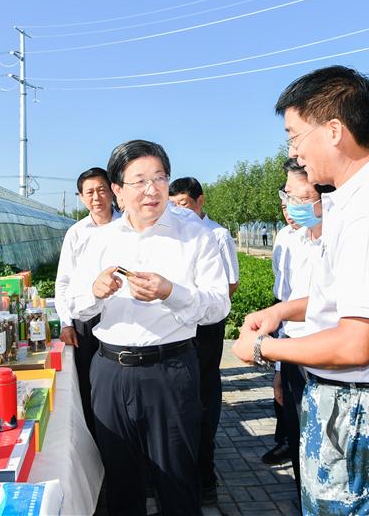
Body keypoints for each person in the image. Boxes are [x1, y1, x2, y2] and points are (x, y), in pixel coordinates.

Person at [232, 65, 369, 514]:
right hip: (358, 406)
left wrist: (264, 349)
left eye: (294, 136)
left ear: (333, 130)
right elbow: (355, 299)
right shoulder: (358, 199)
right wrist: (284, 311)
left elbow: (357, 342)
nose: (293, 152)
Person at [67, 140, 230, 515]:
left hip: (170, 371)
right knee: (121, 482)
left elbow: (218, 305)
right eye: (139, 181)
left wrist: (171, 292)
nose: (152, 189)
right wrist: (95, 292)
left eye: (159, 178)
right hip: (110, 372)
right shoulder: (98, 241)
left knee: (176, 478)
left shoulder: (194, 236)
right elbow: (74, 302)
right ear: (119, 192)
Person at [169, 176, 239, 505]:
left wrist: (197, 300)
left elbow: (230, 285)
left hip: (208, 324)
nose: (177, 211)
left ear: (200, 202)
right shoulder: (174, 237)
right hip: (182, 323)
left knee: (205, 395)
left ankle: (206, 478)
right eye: (173, 206)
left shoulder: (218, 235)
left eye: (183, 205)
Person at [273, 157, 332, 502]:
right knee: (299, 441)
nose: (291, 205)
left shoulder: (342, 241)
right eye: (288, 196)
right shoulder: (294, 242)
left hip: (330, 362)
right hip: (295, 359)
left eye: (299, 197)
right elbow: (286, 312)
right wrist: (280, 370)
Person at [54, 167, 120, 439]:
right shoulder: (76, 233)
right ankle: (95, 442)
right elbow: (63, 281)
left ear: (113, 191)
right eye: (90, 192)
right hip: (85, 319)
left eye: (102, 189)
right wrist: (66, 322)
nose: (97, 197)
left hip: (118, 316)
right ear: (81, 197)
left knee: (117, 384)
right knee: (87, 384)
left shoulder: (127, 226)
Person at [260, 185, 297, 466]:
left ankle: (293, 440)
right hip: (282, 307)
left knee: (292, 386)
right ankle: (284, 439)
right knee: (281, 383)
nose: (288, 213)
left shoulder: (322, 236)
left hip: (300, 313)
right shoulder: (283, 236)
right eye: (284, 207)